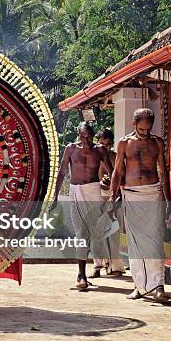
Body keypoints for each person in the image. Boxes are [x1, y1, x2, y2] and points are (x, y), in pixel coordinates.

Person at [110, 108, 171, 302]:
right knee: (135, 244)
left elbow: (163, 172)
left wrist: (169, 201)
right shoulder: (124, 143)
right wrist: (112, 198)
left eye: (148, 129)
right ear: (134, 124)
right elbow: (117, 171)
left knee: (154, 240)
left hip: (153, 193)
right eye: (142, 128)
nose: (145, 132)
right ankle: (139, 286)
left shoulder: (157, 143)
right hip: (131, 195)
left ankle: (159, 285)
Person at [51, 121, 113, 290]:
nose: (85, 140)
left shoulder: (99, 150)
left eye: (89, 136)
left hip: (93, 192)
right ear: (78, 135)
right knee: (81, 233)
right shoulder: (71, 149)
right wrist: (55, 196)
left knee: (94, 232)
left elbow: (112, 171)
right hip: (76, 192)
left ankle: (98, 266)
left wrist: (115, 193)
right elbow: (62, 172)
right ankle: (81, 274)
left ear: (93, 135)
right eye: (82, 136)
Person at [90, 129, 126, 278]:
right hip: (96, 197)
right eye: (102, 144)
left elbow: (122, 179)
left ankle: (115, 266)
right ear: (97, 142)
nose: (105, 147)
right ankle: (97, 266)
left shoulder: (116, 158)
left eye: (108, 144)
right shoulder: (92, 158)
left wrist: (112, 186)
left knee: (113, 232)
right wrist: (100, 183)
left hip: (114, 198)